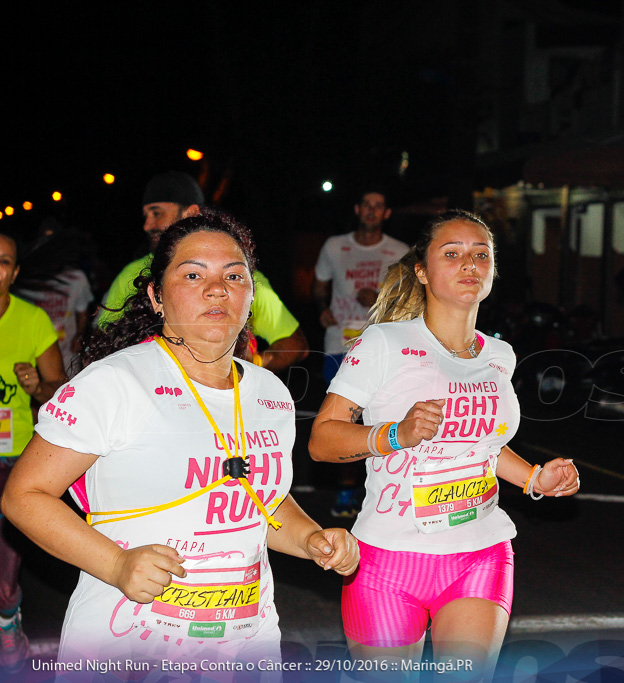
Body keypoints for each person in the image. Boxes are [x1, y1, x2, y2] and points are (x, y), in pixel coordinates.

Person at [1, 211, 358, 666]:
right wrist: (116, 565)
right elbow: (24, 495)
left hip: (246, 640)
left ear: (252, 296)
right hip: (131, 641)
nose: (217, 288)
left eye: (234, 275)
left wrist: (311, 538)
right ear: (156, 297)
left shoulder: (270, 393)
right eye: (193, 274)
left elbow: (261, 500)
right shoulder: (114, 382)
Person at [308, 209, 579, 676]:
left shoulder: (499, 355)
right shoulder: (384, 344)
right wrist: (396, 434)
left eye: (481, 254)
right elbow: (322, 441)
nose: (469, 264)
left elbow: (483, 447)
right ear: (421, 270)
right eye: (451, 254)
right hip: (388, 559)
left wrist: (534, 477)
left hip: (480, 552)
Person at [98, 170, 308, 372]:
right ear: (156, 294)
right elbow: (104, 344)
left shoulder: (243, 281)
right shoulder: (132, 275)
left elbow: (294, 344)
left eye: (157, 213)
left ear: (190, 213)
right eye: (191, 277)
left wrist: (251, 367)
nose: (147, 225)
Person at [312, 189, 407, 517]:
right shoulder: (335, 246)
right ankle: (345, 493)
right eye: (366, 204)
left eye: (378, 206)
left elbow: (412, 299)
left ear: (386, 213)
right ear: (357, 208)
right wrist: (322, 308)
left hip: (383, 346)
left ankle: (380, 493)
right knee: (344, 422)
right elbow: (319, 284)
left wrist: (381, 296)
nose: (371, 211)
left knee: (380, 419)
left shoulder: (399, 251)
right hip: (340, 344)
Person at [0, 230, 66, 671]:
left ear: (15, 271)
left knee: (6, 565)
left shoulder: (33, 321)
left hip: (13, 454)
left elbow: (58, 388)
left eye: (3, 261)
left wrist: (36, 386)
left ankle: (7, 622)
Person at [14, 218, 93, 374]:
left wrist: (79, 335)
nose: (49, 245)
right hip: (36, 354)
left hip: (67, 355)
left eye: (54, 240)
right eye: (45, 239)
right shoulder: (26, 281)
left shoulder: (76, 278)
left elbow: (83, 311)